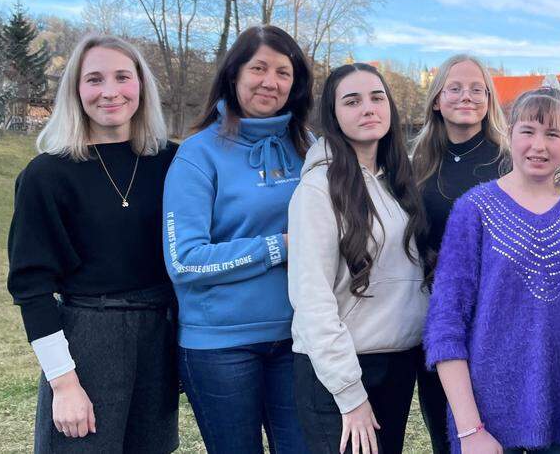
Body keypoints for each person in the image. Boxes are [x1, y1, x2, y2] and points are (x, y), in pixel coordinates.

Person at [423, 77, 560, 454]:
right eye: (527, 131)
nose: (539, 145)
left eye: (552, 134)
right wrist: (469, 429)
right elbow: (446, 323)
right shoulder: (474, 209)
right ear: (510, 134)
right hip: (488, 429)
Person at [8, 34, 179, 452]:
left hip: (158, 337)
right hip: (86, 341)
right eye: (94, 79)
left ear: (141, 85)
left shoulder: (173, 163)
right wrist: (64, 383)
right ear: (76, 90)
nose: (110, 91)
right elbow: (32, 287)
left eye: (123, 76)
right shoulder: (46, 175)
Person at [163, 25, 313, 453]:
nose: (271, 81)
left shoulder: (312, 149)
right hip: (220, 346)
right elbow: (186, 261)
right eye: (259, 68)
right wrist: (278, 246)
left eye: (283, 72)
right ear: (234, 74)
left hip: (298, 338)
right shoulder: (198, 154)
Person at [288, 63, 430, 454]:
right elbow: (311, 299)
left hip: (396, 364)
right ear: (333, 116)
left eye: (377, 97)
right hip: (343, 371)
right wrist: (350, 393)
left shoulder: (397, 181)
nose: (368, 108)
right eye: (352, 101)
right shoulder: (318, 189)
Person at [410, 55, 510, 453]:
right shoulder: (412, 162)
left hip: (492, 324)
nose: (465, 97)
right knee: (445, 437)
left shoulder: (508, 162)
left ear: (489, 100)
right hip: (433, 321)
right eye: (455, 88)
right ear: (437, 99)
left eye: (477, 89)